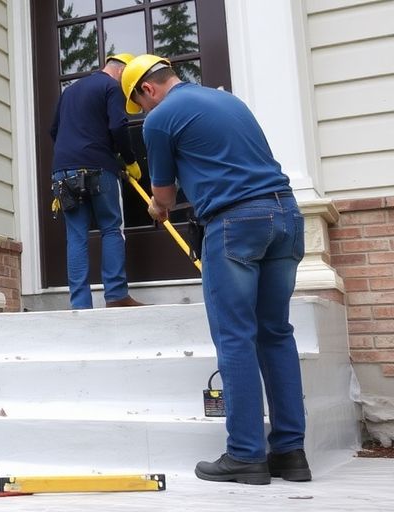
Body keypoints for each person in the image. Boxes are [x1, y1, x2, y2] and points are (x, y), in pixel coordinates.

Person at [123, 54, 310, 485]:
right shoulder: (229, 101)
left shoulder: (160, 119)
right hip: (286, 217)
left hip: (236, 223)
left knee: (236, 337)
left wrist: (156, 207)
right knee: (275, 333)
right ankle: (290, 454)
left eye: (140, 103)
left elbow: (164, 195)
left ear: (147, 90)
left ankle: (246, 454)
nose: (144, 112)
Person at [49, 53, 146, 309]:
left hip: (63, 171)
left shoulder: (70, 91)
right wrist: (129, 159)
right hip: (98, 167)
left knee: (76, 236)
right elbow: (118, 127)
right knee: (111, 228)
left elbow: (54, 130)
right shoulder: (111, 86)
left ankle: (80, 304)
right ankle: (115, 295)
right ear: (122, 71)